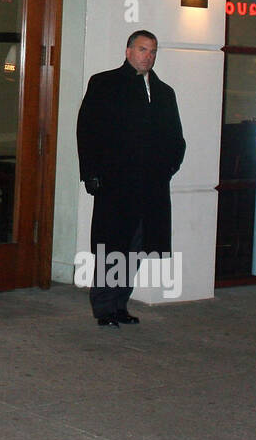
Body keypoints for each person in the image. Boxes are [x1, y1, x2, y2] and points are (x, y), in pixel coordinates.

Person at [76, 29, 185, 327]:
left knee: (135, 248)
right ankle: (104, 307)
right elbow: (87, 131)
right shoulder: (104, 84)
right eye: (142, 49)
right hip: (114, 184)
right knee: (112, 246)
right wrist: (91, 174)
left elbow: (175, 138)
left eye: (152, 51)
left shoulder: (164, 92)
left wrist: (167, 168)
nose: (147, 56)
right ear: (128, 51)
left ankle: (120, 304)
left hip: (150, 187)